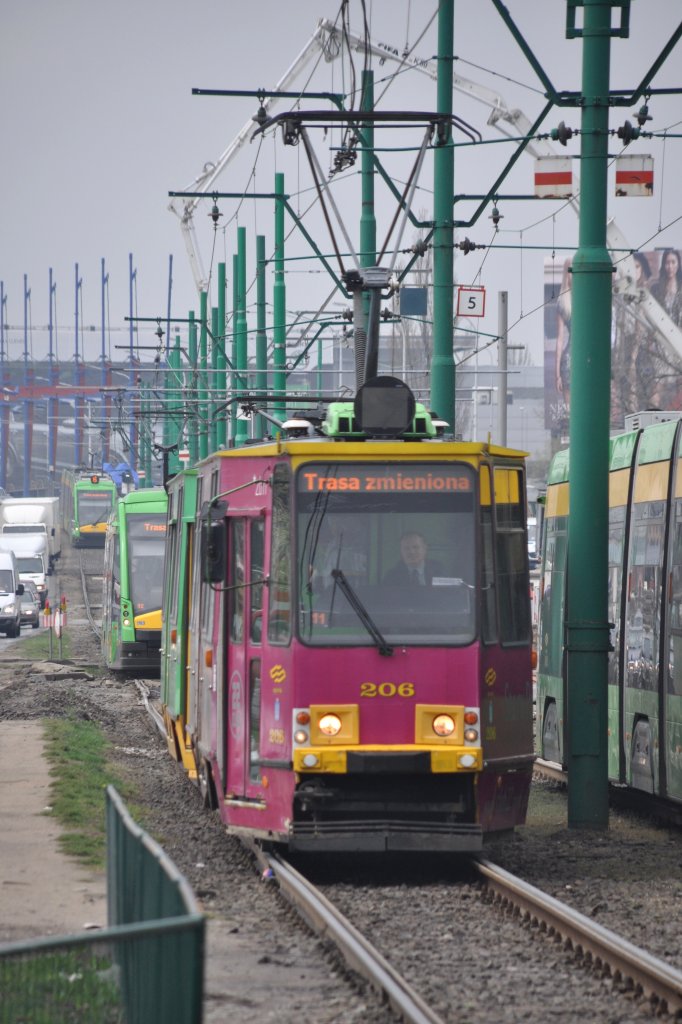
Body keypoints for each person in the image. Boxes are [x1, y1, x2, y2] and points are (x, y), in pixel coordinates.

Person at [555, 259, 572, 408]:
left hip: (589, 358)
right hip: (570, 360)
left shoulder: (589, 297)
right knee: (571, 409)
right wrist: (557, 375)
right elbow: (559, 339)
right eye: (570, 271)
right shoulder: (563, 303)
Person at [650, 248, 682, 323]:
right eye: (667, 263)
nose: (670, 267)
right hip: (660, 331)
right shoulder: (655, 289)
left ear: (678, 264)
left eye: (673, 262)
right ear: (664, 265)